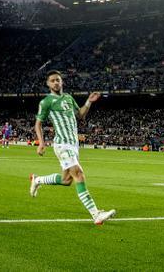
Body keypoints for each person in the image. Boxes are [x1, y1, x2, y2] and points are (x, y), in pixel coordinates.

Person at [28, 70, 115, 225]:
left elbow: (80, 115)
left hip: (73, 145)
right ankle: (96, 214)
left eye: (58, 80)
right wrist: (41, 142)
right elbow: (38, 124)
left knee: (66, 180)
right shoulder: (46, 102)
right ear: (48, 84)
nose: (56, 82)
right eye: (53, 80)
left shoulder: (68, 98)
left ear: (62, 82)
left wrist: (88, 101)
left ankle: (37, 180)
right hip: (62, 144)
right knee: (79, 175)